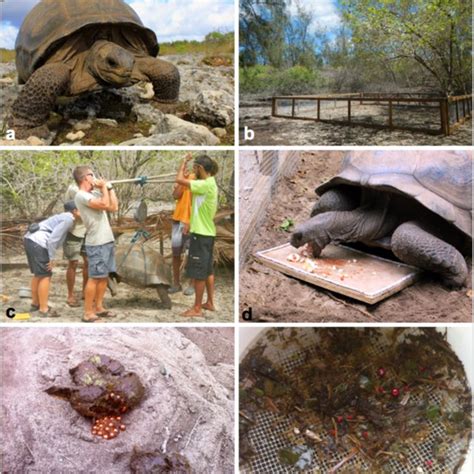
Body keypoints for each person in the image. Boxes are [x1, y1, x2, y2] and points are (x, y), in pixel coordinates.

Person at [73, 166, 118, 322]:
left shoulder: (93, 194)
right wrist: (104, 187)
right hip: (96, 242)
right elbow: (104, 204)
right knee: (94, 277)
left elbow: (113, 206)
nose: (95, 178)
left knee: (103, 277)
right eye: (92, 175)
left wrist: (110, 188)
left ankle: (98, 307)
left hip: (107, 240)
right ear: (86, 177)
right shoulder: (81, 196)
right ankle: (87, 312)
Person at [175, 153, 218, 317]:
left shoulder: (204, 185)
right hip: (207, 232)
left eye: (195, 168)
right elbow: (197, 205)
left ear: (200, 168)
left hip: (200, 235)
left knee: (199, 273)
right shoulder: (210, 182)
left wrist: (183, 162)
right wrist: (189, 222)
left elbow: (179, 180)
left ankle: (197, 309)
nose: (194, 171)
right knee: (207, 270)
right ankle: (210, 303)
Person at [23, 201, 80, 317]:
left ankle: (35, 304)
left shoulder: (61, 216)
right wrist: (51, 258)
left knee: (38, 274)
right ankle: (44, 309)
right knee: (45, 275)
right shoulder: (68, 219)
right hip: (38, 242)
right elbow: (53, 239)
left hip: (30, 239)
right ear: (74, 211)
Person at [169, 162, 195, 296]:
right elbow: (175, 195)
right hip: (178, 219)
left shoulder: (201, 181)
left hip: (192, 221)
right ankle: (176, 283)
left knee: (192, 253)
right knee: (175, 253)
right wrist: (182, 182)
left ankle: (192, 284)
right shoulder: (186, 178)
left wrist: (191, 221)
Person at [63, 183, 88, 307]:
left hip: (88, 232)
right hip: (74, 232)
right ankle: (70, 295)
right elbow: (73, 212)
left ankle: (85, 292)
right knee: (73, 263)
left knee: (88, 262)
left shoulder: (92, 191)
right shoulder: (73, 189)